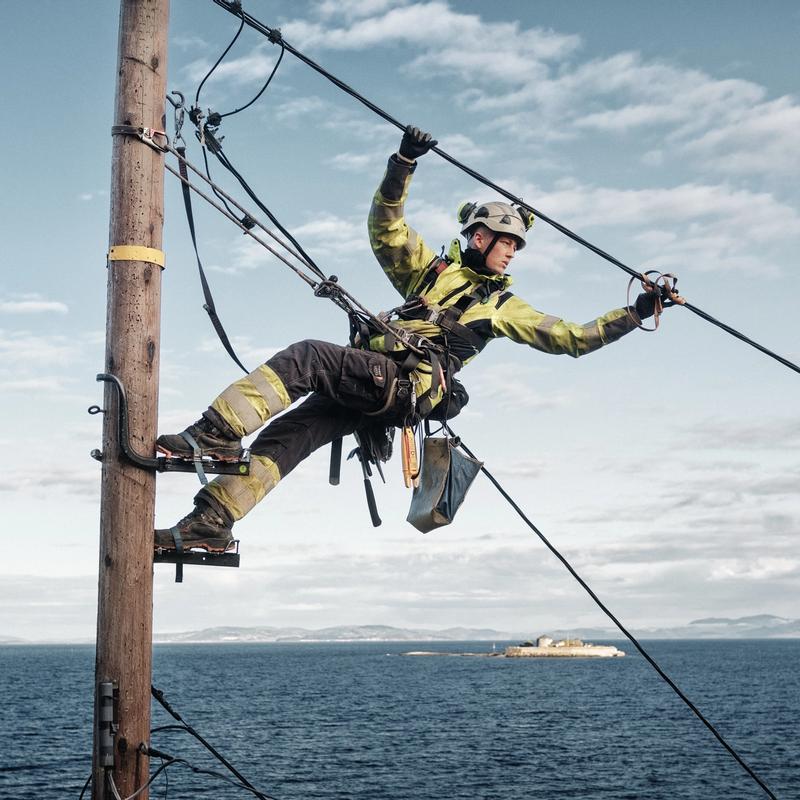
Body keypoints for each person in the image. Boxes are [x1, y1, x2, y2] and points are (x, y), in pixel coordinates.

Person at [154, 127, 662, 553]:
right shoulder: (430, 272)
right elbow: (386, 227)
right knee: (285, 439)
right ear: (479, 237)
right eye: (506, 242)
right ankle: (212, 521)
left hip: (402, 386)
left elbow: (573, 338)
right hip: (376, 385)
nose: (512, 254)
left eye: (517, 246)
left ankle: (214, 433)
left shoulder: (501, 305)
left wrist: (635, 313)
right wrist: (402, 164)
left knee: (307, 358)